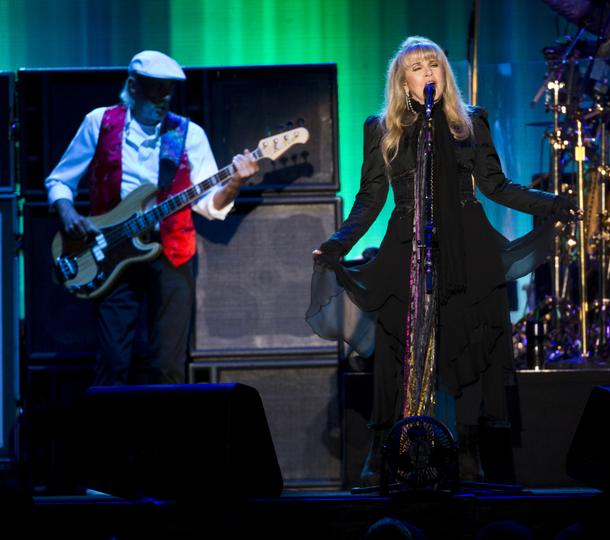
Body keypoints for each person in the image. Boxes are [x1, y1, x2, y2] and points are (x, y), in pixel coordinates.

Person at [307, 36, 579, 483]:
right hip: (405, 242)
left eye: (433, 63)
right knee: (395, 346)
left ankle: (468, 450)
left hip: (467, 244)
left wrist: (550, 203)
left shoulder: (469, 123)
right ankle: (383, 450)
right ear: (402, 80)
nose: (427, 71)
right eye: (416, 66)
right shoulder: (381, 129)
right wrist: (337, 243)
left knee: (465, 341)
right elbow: (370, 199)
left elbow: (496, 185)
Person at [46, 50, 259, 385]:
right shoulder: (99, 122)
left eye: (169, 90)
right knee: (113, 363)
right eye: (156, 90)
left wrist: (234, 181)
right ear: (133, 87)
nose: (164, 99)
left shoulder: (188, 134)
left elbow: (209, 205)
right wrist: (68, 211)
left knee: (169, 364)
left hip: (171, 252)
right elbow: (60, 179)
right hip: (109, 252)